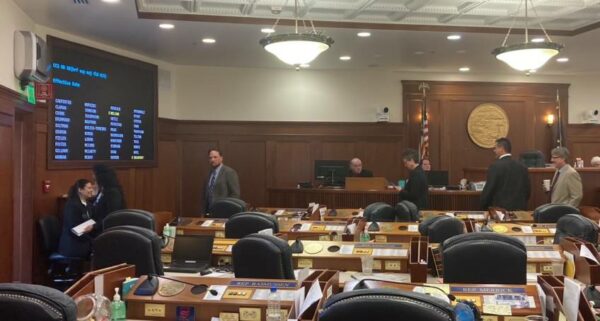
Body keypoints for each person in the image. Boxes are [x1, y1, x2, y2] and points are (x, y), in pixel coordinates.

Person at [480, 138, 530, 210]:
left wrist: (483, 206)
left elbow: (489, 189)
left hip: (501, 211)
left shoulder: (495, 166)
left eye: (495, 148)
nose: (494, 151)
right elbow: (528, 191)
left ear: (501, 148)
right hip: (520, 210)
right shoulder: (522, 166)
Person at [58, 179, 95, 259]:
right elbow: (74, 230)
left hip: (83, 240)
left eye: (92, 188)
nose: (91, 190)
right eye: (89, 188)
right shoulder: (72, 205)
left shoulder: (89, 205)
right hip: (73, 244)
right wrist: (92, 240)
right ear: (80, 190)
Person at [92, 163, 125, 232]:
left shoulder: (113, 192)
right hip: (100, 227)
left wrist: (94, 226)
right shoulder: (102, 189)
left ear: (101, 175)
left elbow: (112, 216)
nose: (93, 176)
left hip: (109, 231)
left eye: (94, 174)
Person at [205, 148, 240, 213]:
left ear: (221, 158)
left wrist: (228, 210)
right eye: (210, 158)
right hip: (209, 212)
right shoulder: (209, 173)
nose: (212, 160)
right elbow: (206, 195)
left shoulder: (229, 172)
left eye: (215, 157)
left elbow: (235, 194)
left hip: (224, 212)